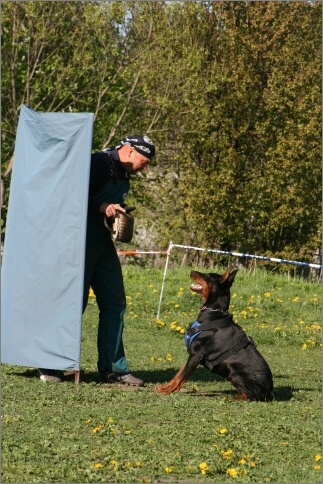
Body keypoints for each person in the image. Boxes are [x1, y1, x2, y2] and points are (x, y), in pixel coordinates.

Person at [39, 135, 155, 384]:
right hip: (77, 241)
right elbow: (69, 194)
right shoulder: (98, 163)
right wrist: (101, 206)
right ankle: (51, 366)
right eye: (144, 161)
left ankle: (114, 368)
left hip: (102, 243)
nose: (145, 168)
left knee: (115, 303)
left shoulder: (125, 175)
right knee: (72, 303)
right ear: (129, 150)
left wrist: (117, 213)